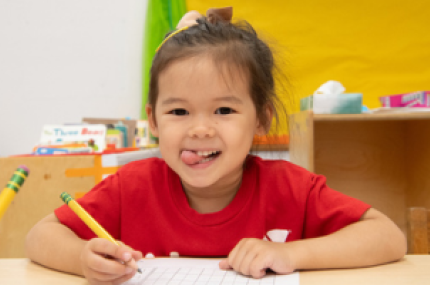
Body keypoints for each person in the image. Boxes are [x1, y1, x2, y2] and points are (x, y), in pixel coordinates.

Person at [26, 7, 406, 285]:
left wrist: (290, 253)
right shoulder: (132, 186)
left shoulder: (291, 188)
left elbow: (388, 237)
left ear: (261, 118)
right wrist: (81, 259)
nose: (201, 129)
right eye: (178, 111)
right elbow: (40, 236)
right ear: (154, 121)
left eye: (224, 109)